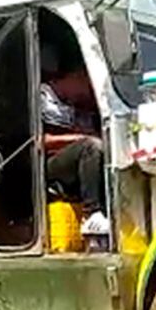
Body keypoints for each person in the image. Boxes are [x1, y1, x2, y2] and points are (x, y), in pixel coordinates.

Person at [40, 67, 110, 241]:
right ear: (75, 76)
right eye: (85, 86)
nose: (87, 93)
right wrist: (80, 138)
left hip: (80, 161)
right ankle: (91, 213)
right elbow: (40, 140)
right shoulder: (41, 97)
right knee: (91, 146)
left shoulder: (82, 105)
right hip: (50, 161)